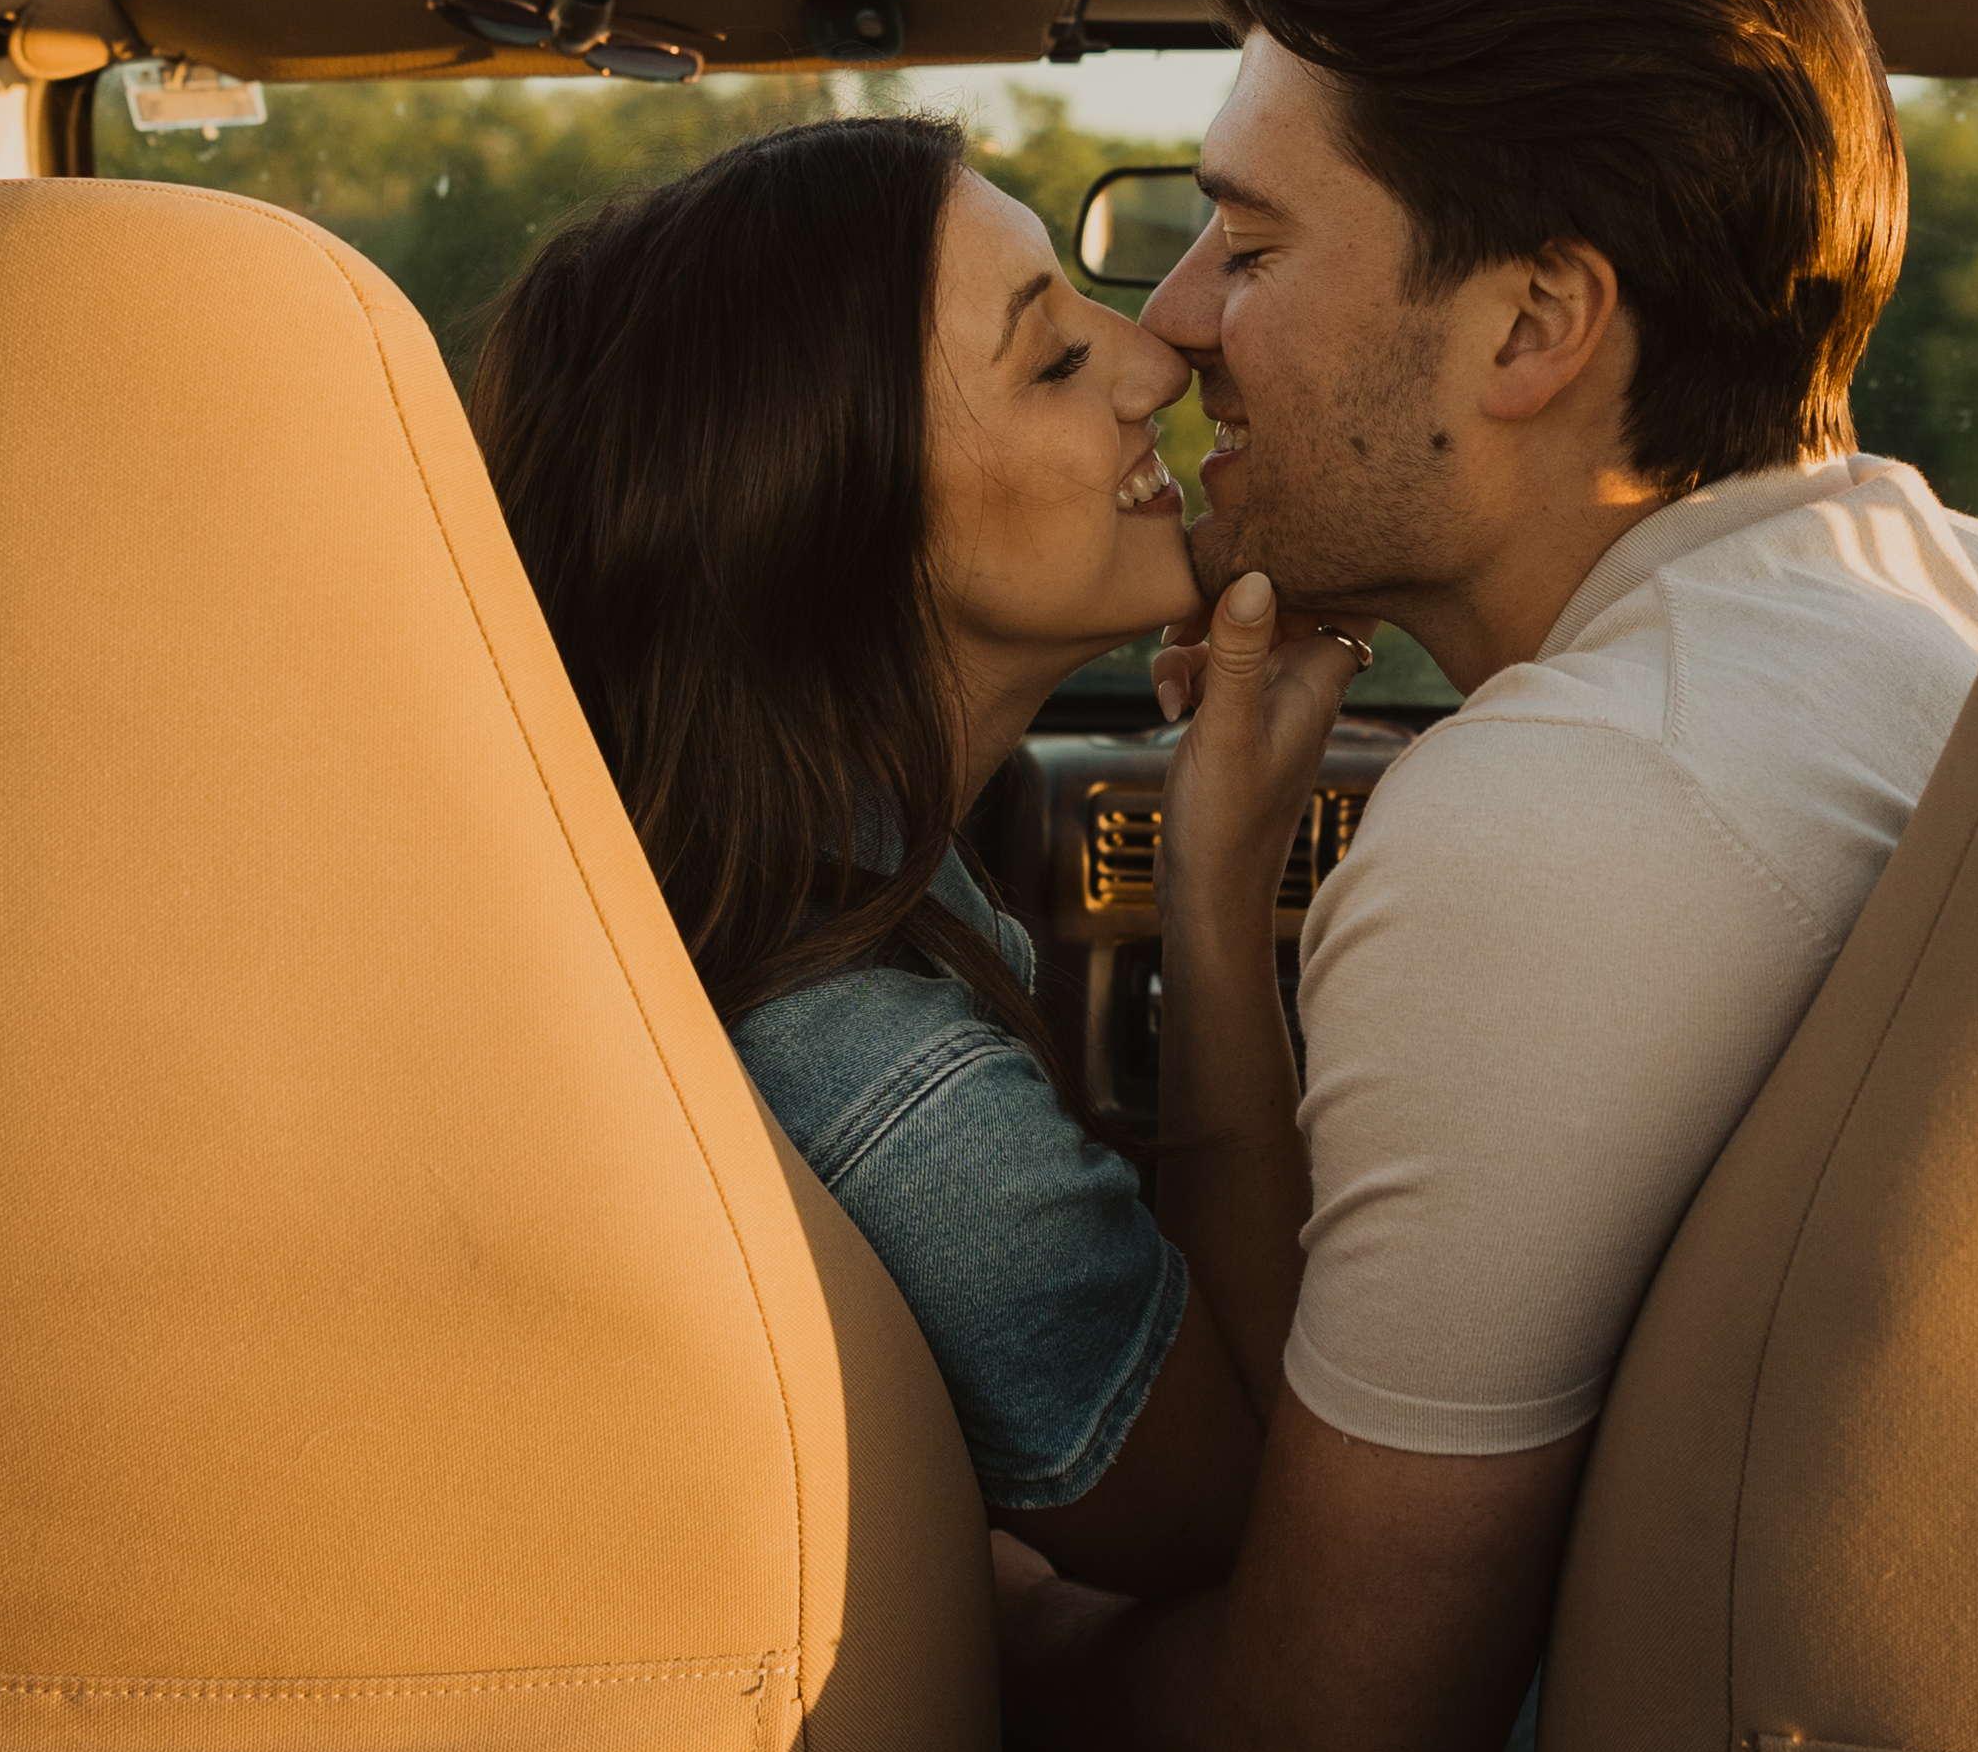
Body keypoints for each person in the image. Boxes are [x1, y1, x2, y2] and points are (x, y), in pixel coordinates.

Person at [993, 0, 1978, 1752]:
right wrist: (1218, 892)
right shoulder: (1968, 596)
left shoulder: (1575, 807)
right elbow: (1364, 1412)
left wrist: (967, 1609)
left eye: (1253, 244)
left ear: (1532, 323)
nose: (1180, 320)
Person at [468, 114, 1354, 1598]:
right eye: (1056, 362)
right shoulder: (871, 1063)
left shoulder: (806, 880)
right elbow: (1245, 1526)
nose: (1152, 365)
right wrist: (1209, 895)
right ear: (833, 520)